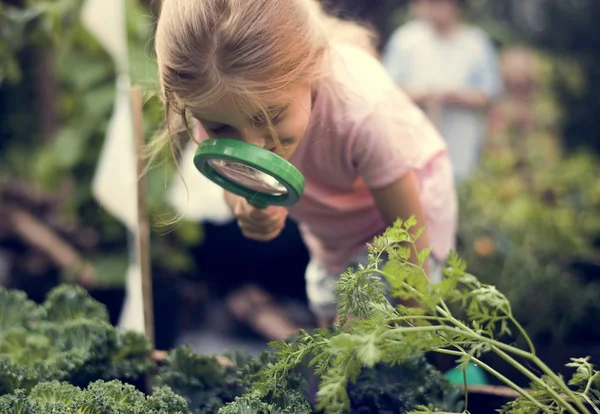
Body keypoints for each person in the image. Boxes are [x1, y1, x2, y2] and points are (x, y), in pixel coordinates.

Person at [151, 0, 458, 328]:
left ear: (313, 65)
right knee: (331, 326)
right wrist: (243, 204)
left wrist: (411, 326)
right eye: (221, 129)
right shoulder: (218, 102)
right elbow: (233, 180)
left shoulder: (361, 110)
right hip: (332, 233)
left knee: (364, 330)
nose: (252, 146)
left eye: (270, 117)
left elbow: (408, 231)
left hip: (408, 219)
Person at [382, 0, 501, 183]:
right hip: (413, 141)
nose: (432, 9)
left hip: (462, 141)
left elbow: (488, 93)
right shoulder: (405, 40)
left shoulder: (475, 43)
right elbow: (388, 89)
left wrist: (457, 97)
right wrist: (422, 95)